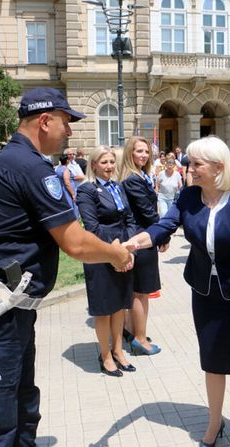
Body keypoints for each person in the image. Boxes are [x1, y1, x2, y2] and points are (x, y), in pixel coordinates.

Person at [0, 87, 133, 446]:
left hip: (4, 309)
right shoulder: (30, 167)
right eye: (66, 122)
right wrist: (116, 254)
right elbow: (75, 242)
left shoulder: (7, 161)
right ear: (44, 121)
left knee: (20, 407)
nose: (70, 131)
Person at [124, 136, 230, 447]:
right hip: (205, 293)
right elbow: (164, 226)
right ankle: (214, 421)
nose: (189, 168)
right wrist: (136, 241)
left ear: (219, 167)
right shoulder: (189, 197)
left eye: (196, 164)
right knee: (211, 358)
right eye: (189, 162)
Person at [77, 147, 138, 377]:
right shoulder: (87, 190)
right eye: (104, 162)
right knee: (104, 309)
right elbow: (92, 227)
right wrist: (114, 249)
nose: (110, 166)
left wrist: (129, 245)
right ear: (93, 164)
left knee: (120, 304)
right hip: (100, 251)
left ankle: (118, 351)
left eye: (112, 161)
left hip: (122, 248)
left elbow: (130, 218)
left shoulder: (118, 186)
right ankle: (105, 355)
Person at [120, 136, 163, 355]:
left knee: (136, 291)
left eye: (146, 151)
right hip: (142, 238)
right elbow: (148, 211)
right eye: (139, 151)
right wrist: (162, 235)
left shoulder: (139, 176)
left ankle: (129, 329)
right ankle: (140, 338)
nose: (144, 155)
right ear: (130, 153)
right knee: (141, 293)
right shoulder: (133, 179)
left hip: (139, 237)